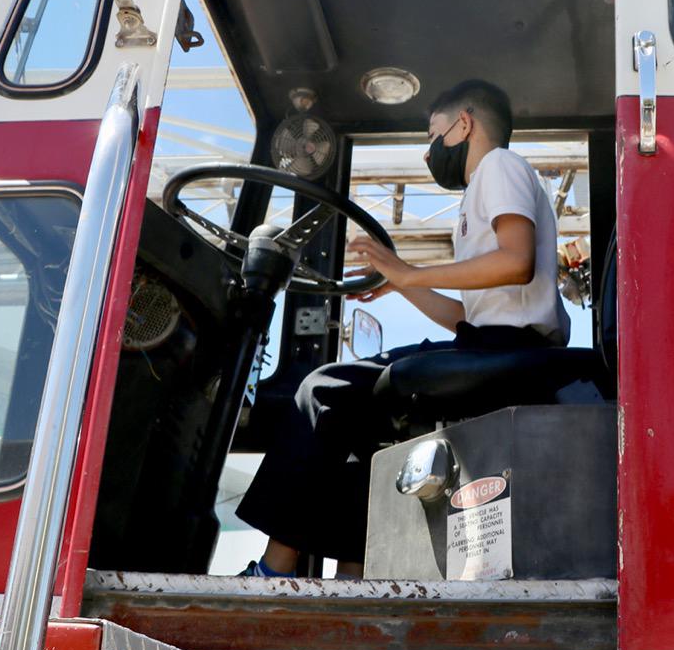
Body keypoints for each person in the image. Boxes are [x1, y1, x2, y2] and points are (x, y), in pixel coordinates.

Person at [236, 79, 570, 578]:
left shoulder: (498, 166)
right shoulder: (485, 189)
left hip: (505, 349)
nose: (428, 152)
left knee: (324, 389)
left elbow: (516, 262)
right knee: (365, 423)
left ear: (465, 124)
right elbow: (471, 317)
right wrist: (402, 286)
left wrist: (410, 272)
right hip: (489, 343)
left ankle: (275, 567)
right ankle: (353, 573)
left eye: (434, 135)